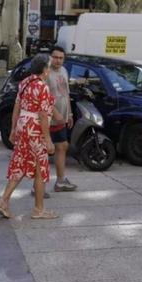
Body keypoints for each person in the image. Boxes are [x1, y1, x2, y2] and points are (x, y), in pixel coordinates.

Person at [0, 54, 59, 220]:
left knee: (20, 164)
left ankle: (3, 201)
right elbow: (43, 115)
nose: (50, 70)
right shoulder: (42, 87)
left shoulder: (25, 83)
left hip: (23, 126)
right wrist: (48, 139)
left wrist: (13, 128)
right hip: (35, 129)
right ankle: (39, 209)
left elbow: (17, 107)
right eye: (49, 66)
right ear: (44, 69)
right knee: (40, 168)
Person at [47, 46, 77, 192]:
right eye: (55, 57)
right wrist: (55, 113)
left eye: (61, 58)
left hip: (61, 118)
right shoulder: (45, 73)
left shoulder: (64, 71)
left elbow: (66, 94)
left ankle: (60, 181)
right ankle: (37, 186)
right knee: (42, 151)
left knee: (62, 146)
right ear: (50, 57)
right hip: (48, 119)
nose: (58, 60)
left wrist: (69, 114)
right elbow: (43, 98)